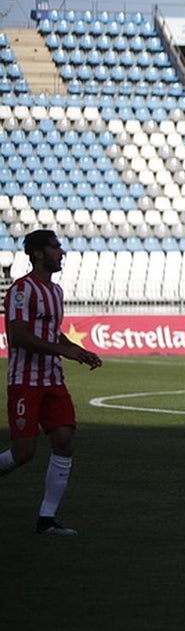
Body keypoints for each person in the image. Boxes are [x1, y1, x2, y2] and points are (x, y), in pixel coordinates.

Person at [1, 229, 103, 535]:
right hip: (25, 380)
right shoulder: (22, 290)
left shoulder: (56, 292)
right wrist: (64, 350)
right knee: (23, 453)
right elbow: (18, 335)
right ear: (38, 254)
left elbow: (50, 334)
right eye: (55, 247)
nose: (62, 252)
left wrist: (76, 349)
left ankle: (47, 519)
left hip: (52, 379)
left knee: (63, 440)